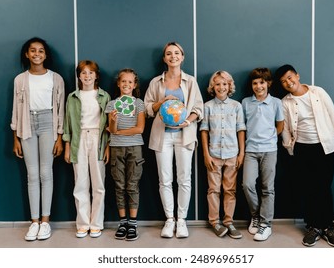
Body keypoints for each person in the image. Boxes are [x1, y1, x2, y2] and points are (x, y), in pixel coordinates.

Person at [275, 64, 334, 247]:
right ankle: (313, 227)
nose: (288, 83)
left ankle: (329, 227)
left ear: (297, 75)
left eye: (290, 77)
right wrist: (289, 148)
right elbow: (286, 128)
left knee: (324, 187)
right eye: (283, 81)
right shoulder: (285, 102)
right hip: (302, 149)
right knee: (308, 188)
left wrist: (330, 135)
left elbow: (332, 114)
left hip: (324, 147)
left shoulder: (317, 92)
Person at [144, 42, 203, 238]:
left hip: (184, 135)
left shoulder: (191, 81)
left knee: (184, 179)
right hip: (162, 136)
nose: (173, 56)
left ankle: (182, 220)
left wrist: (187, 122)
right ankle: (169, 220)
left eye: (176, 53)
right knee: (165, 180)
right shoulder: (156, 82)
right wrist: (162, 102)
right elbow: (147, 108)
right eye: (169, 54)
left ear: (182, 56)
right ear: (164, 58)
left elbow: (198, 109)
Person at [11, 37, 65, 241]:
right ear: (26, 54)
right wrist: (16, 137)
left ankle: (45, 222)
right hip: (26, 124)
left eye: (41, 51)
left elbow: (60, 110)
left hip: (48, 123)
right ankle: (34, 222)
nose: (36, 54)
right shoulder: (20, 79)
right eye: (32, 51)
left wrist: (59, 137)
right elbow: (16, 109)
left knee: (45, 173)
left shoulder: (56, 78)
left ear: (46, 55)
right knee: (31, 174)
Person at [63, 60, 110, 238]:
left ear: (96, 75)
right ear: (79, 76)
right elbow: (67, 123)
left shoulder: (104, 96)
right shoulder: (73, 97)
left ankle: (96, 223)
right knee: (80, 183)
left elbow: (109, 124)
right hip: (79, 139)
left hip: (98, 138)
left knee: (98, 184)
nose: (87, 76)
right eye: (83, 72)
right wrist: (67, 146)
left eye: (91, 72)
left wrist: (107, 147)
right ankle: (83, 223)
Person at [200, 71, 246, 239]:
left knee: (230, 189)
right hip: (213, 154)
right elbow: (204, 130)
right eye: (218, 84)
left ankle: (228, 222)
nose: (221, 87)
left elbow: (241, 129)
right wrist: (206, 154)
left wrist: (241, 153)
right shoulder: (207, 106)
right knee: (213, 189)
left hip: (232, 153)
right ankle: (215, 222)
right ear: (213, 86)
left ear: (229, 86)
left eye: (224, 84)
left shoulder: (236, 106)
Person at [241, 68, 284, 241]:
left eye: (262, 82)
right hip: (250, 150)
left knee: (268, 188)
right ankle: (256, 216)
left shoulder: (276, 103)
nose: (258, 86)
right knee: (247, 184)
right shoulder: (245, 102)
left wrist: (271, 137)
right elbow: (242, 126)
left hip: (270, 150)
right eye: (255, 83)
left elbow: (279, 125)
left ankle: (266, 224)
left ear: (269, 83)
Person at [105, 68, 145, 241]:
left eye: (130, 82)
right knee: (119, 185)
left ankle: (133, 223)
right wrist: (113, 122)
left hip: (135, 148)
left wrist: (119, 132)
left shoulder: (138, 103)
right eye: (123, 81)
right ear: (118, 84)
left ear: (134, 85)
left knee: (132, 185)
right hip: (116, 148)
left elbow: (140, 129)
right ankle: (123, 222)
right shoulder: (113, 104)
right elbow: (111, 130)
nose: (126, 84)